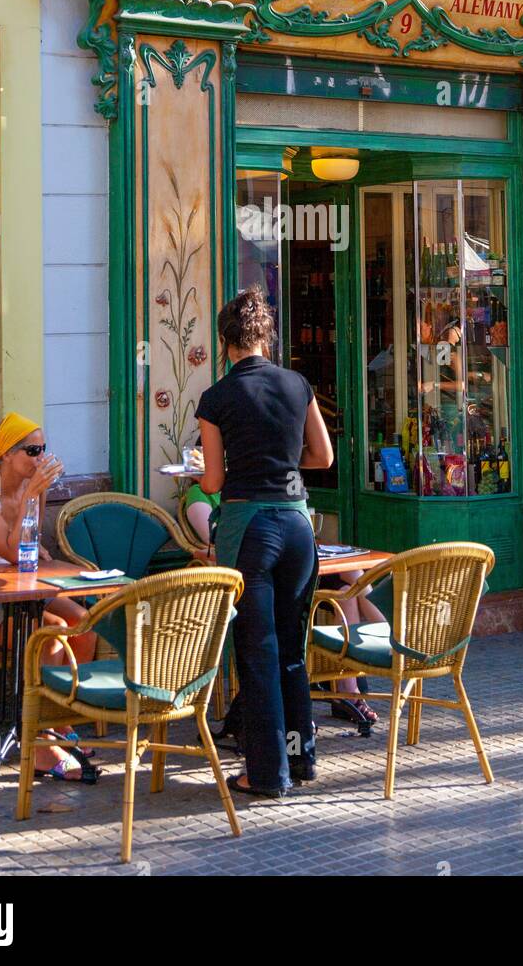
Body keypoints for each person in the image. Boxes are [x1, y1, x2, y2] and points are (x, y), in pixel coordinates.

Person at [196, 285, 333, 798]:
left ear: (225, 342)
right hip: (299, 525)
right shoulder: (298, 384)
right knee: (292, 647)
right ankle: (300, 759)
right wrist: (278, 461)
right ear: (265, 338)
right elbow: (322, 457)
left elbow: (210, 483)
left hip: (250, 527)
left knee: (257, 651)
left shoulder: (217, 397)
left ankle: (266, 773)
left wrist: (244, 465)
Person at [0, 412, 97, 781]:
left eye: (44, 449)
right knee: (46, 636)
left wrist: (35, 503)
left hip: (23, 589)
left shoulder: (32, 486)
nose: (40, 457)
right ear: (6, 455)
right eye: (33, 450)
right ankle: (41, 750)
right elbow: (14, 551)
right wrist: (33, 494)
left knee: (83, 625)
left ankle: (58, 723)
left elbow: (31, 548)